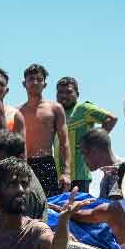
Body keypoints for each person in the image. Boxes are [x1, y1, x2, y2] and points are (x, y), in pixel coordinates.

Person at [54, 76, 117, 193]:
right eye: (60, 92)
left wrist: (96, 142)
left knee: (80, 209)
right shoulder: (55, 113)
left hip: (79, 176)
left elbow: (111, 119)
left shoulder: (83, 108)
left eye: (68, 92)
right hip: (59, 177)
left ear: (77, 94)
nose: (64, 96)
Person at [19, 63, 71, 198]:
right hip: (24, 164)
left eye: (39, 79)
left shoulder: (55, 108)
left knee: (50, 206)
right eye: (31, 79)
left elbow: (64, 142)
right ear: (24, 84)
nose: (35, 82)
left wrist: (66, 172)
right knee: (26, 206)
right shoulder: (18, 112)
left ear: (45, 84)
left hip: (46, 163)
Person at [0, 130, 47, 220]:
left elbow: (14, 230)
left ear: (20, 158)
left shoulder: (25, 192)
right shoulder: (11, 179)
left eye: (0, 164)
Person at [78, 128, 124, 198]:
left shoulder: (119, 173)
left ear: (95, 151)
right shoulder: (108, 173)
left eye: (85, 153)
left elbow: (115, 206)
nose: (84, 159)